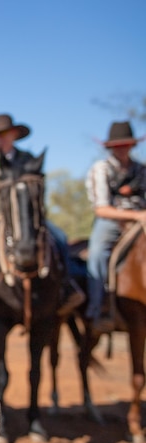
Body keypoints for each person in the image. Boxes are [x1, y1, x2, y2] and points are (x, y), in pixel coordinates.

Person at [0, 114, 83, 315]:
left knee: (59, 237)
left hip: (26, 214)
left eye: (2, 134)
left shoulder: (27, 159)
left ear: (14, 134)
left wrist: (25, 209)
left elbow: (36, 190)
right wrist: (6, 206)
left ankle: (67, 285)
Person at [84, 120, 146, 334]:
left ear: (132, 145)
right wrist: (136, 215)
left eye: (126, 144)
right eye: (118, 145)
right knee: (98, 253)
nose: (122, 148)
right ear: (110, 147)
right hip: (112, 220)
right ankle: (98, 308)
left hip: (143, 219)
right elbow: (101, 209)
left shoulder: (141, 169)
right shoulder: (101, 169)